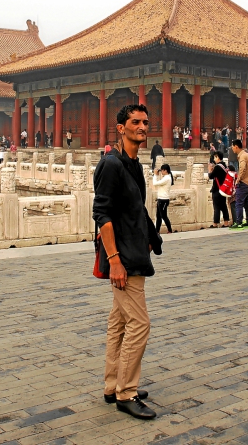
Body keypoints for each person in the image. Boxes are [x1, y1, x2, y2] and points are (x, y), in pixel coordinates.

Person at [93, 104, 160, 420]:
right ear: (120, 128)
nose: (142, 127)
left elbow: (134, 209)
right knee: (140, 324)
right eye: (135, 122)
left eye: (146, 122)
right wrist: (115, 260)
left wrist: (149, 235)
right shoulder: (112, 165)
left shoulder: (133, 164)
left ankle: (112, 385)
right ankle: (126, 392)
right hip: (123, 259)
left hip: (135, 252)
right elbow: (102, 213)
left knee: (119, 322)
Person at [229, 140, 248, 230]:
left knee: (238, 203)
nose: (232, 148)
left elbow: (242, 169)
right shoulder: (246, 155)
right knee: (246, 203)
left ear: (236, 146)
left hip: (243, 183)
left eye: (232, 146)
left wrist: (238, 180)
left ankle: (239, 222)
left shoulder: (242, 156)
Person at [206, 151, 231, 228]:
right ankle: (226, 222)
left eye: (215, 157)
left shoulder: (217, 167)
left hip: (217, 189)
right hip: (223, 189)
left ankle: (215, 223)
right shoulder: (224, 166)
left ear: (217, 157)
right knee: (223, 206)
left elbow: (211, 176)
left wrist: (209, 170)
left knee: (216, 207)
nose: (214, 159)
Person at [153, 164, 173, 234]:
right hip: (160, 199)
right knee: (158, 216)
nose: (161, 172)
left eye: (162, 170)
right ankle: (157, 231)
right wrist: (157, 175)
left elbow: (155, 183)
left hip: (164, 199)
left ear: (165, 170)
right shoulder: (166, 177)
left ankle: (170, 230)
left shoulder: (167, 178)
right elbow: (158, 183)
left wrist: (155, 175)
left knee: (163, 216)